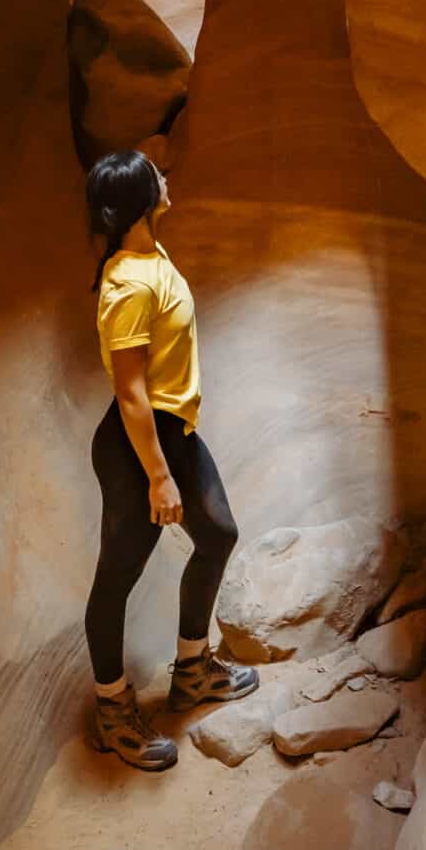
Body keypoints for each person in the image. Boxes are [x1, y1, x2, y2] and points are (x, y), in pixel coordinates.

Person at [83, 145, 257, 769]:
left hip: (172, 431)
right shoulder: (127, 284)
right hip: (140, 446)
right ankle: (112, 709)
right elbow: (130, 395)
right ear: (139, 201)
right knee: (116, 579)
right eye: (156, 175)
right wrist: (158, 476)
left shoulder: (148, 254)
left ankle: (191, 669)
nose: (166, 175)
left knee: (217, 534)